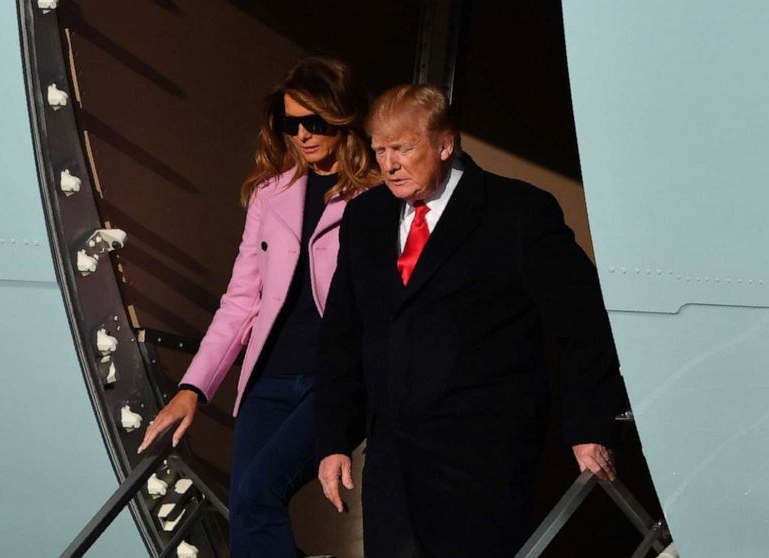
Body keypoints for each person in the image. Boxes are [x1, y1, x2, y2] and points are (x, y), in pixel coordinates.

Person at [314, 84, 628, 557]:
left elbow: (582, 324)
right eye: (380, 150)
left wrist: (589, 428)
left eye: (403, 147)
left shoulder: (517, 212)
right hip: (393, 464)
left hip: (483, 462)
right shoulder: (366, 216)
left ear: (445, 144)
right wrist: (334, 438)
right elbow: (342, 334)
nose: (389, 163)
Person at [138, 56, 379, 557]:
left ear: (342, 116)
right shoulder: (271, 195)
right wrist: (193, 388)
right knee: (246, 517)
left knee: (256, 494)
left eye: (314, 122)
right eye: (291, 124)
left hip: (334, 381)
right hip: (267, 381)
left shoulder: (377, 197)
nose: (304, 135)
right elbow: (241, 300)